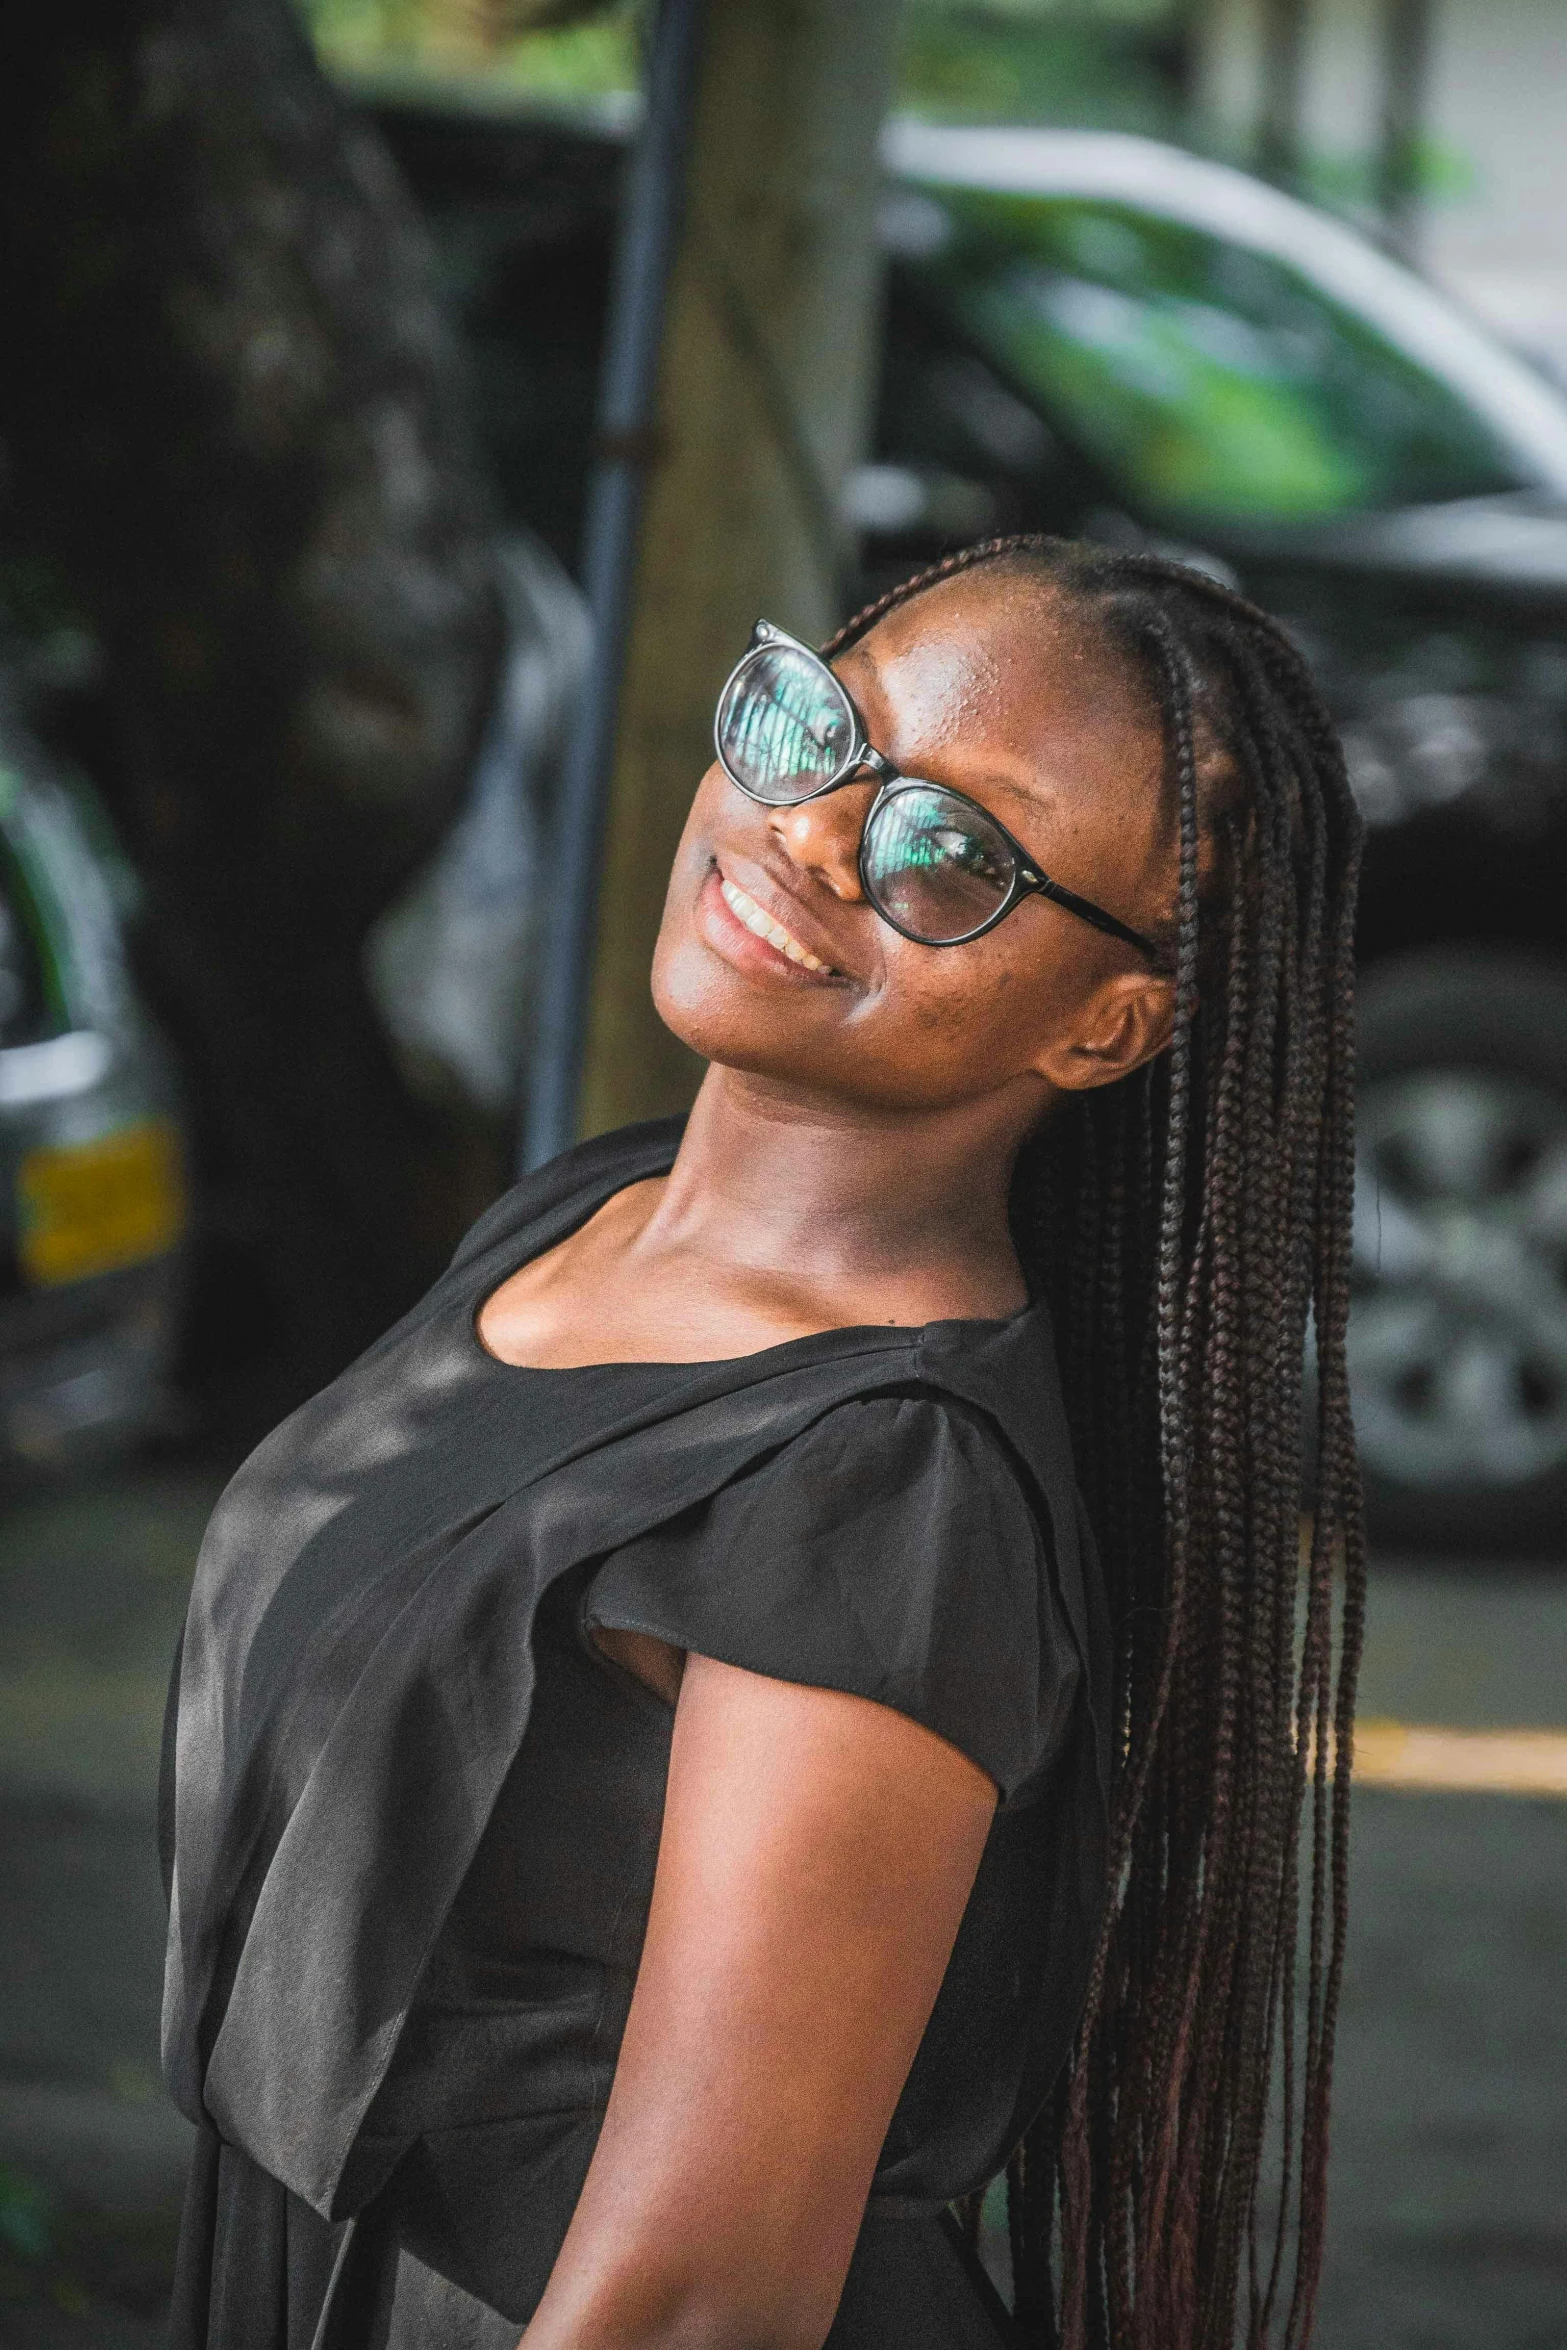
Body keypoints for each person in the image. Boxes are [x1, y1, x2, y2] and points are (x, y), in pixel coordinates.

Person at [161, 537, 1365, 2350]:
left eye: (951, 851)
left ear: (1110, 1023)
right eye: (819, 727)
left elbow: (697, 2303)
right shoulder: (594, 1214)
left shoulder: (878, 1492)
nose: (809, 833)